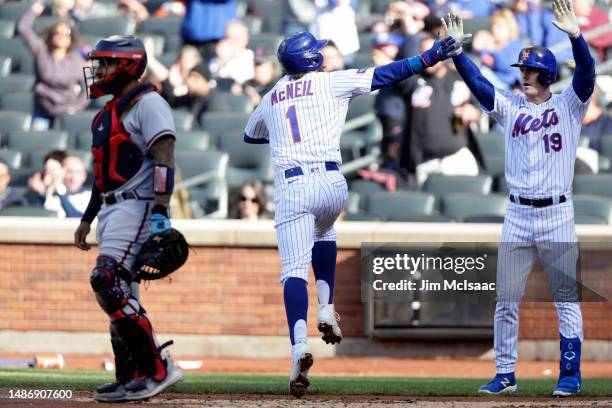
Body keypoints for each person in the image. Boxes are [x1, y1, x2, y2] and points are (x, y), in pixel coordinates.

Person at [244, 30, 459, 398]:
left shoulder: (272, 95)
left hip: (294, 186)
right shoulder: (332, 82)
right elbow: (387, 74)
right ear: (312, 58)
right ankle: (326, 309)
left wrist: (285, 131)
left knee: (293, 271)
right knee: (325, 234)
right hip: (332, 184)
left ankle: (299, 347)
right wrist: (431, 56)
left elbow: (251, 136)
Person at [442, 0, 595, 396]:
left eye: (529, 70)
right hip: (518, 213)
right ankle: (505, 373)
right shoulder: (510, 107)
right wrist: (458, 54)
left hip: (557, 212)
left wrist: (576, 38)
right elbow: (479, 85)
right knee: (506, 299)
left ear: (546, 73)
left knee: (565, 299)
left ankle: (570, 374)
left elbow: (587, 75)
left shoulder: (569, 106)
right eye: (522, 69)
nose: (523, 75)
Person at [74, 35, 183, 402]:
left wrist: (160, 213)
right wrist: (88, 218)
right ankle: (130, 376)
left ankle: (159, 369)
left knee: (108, 282)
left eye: (104, 63)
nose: (98, 70)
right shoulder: (107, 113)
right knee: (122, 293)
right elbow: (102, 172)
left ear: (126, 65)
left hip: (137, 204)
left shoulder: (148, 103)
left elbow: (164, 158)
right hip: (111, 206)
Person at [405, 34, 480, 185]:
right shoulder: (413, 81)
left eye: (432, 50)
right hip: (424, 162)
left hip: (457, 157)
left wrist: (472, 111)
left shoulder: (459, 77)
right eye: (423, 52)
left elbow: (478, 108)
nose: (429, 55)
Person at [17, 1, 89, 131]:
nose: (61, 37)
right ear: (51, 36)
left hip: (67, 109)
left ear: (71, 39)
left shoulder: (77, 60)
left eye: (65, 34)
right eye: (57, 33)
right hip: (43, 107)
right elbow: (23, 28)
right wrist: (33, 12)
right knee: (38, 140)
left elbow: (88, 89)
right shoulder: (41, 51)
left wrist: (76, 107)